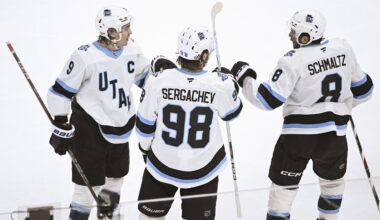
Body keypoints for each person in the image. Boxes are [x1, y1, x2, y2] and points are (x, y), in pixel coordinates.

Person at [230, 9, 374, 220]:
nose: (290, 34)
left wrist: (245, 78)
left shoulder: (293, 60)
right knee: (332, 184)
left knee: (283, 192)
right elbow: (365, 90)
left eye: (294, 31)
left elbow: (267, 100)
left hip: (297, 140)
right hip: (335, 138)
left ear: (305, 36)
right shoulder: (343, 48)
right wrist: (342, 105)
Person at [46, 5, 176, 219]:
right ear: (111, 32)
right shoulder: (84, 57)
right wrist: (61, 123)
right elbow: (60, 92)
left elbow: (145, 79)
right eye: (125, 28)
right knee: (86, 191)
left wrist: (161, 74)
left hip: (121, 128)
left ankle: (106, 216)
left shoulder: (132, 50)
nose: (130, 32)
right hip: (89, 130)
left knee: (114, 181)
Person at [135, 25, 243, 220]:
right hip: (204, 169)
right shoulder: (218, 85)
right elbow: (232, 114)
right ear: (203, 56)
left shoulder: (157, 81)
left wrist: (145, 150)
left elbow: (144, 126)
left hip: (161, 165)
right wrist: (231, 81)